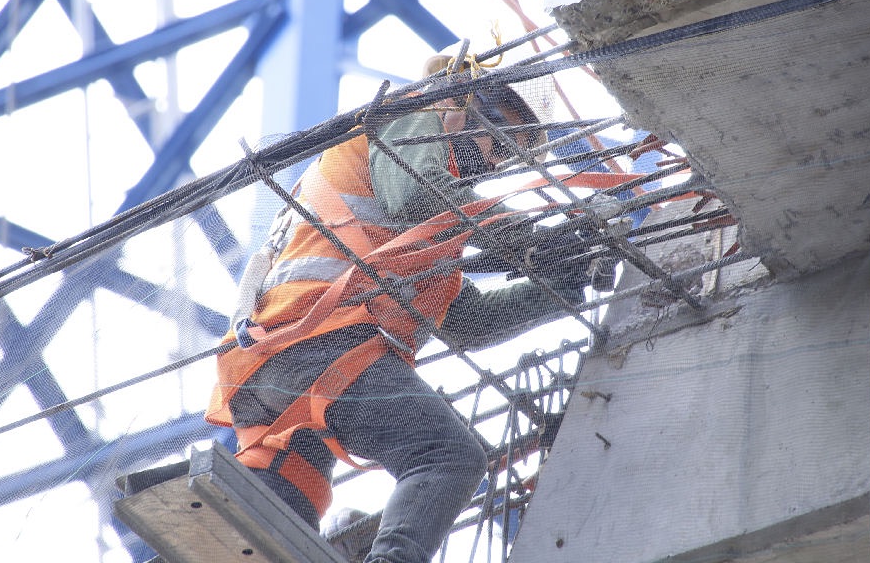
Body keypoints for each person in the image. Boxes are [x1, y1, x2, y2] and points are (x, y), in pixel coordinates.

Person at [205, 59, 587, 563]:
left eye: (515, 147)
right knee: (447, 457)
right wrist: (529, 238)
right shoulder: (411, 119)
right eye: (500, 128)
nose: (498, 156)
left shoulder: (434, 226)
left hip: (284, 370)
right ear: (461, 100)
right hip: (321, 344)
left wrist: (565, 279)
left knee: (274, 523)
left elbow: (471, 320)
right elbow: (415, 194)